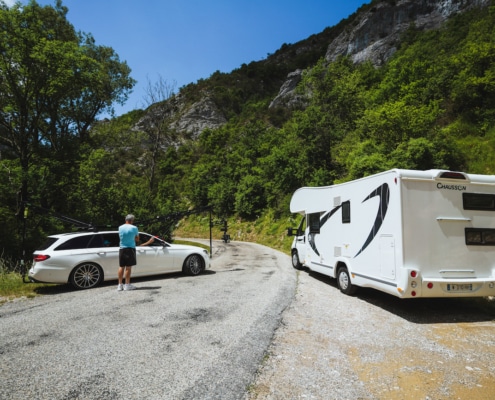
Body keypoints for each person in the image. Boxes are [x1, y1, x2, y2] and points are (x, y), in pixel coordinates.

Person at [117, 214, 154, 291]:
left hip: (122, 248)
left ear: (125, 220)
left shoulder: (120, 227)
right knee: (128, 267)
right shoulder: (134, 228)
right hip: (130, 249)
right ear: (132, 220)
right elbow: (137, 239)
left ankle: (120, 285)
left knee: (121, 267)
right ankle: (127, 285)